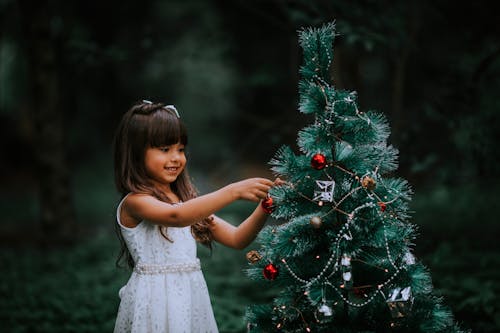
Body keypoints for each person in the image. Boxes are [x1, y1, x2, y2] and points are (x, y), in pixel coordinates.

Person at [112, 100, 277, 333]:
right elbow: (176, 216)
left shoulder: (187, 205)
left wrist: (266, 205)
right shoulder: (135, 202)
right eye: (164, 149)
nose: (176, 157)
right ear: (136, 153)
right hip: (153, 304)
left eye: (180, 149)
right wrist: (233, 191)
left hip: (189, 300)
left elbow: (237, 238)